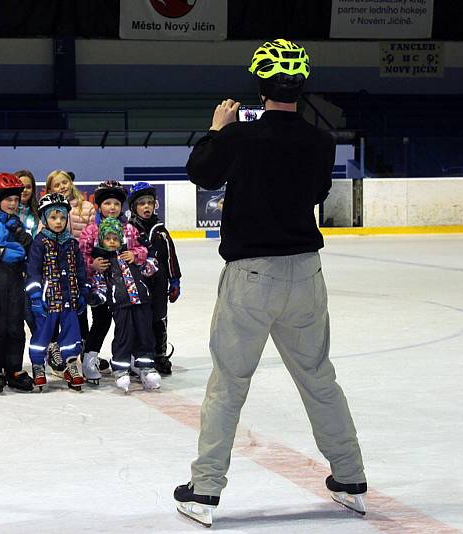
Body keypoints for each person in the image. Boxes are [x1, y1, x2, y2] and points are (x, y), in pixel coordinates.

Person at [173, 39, 367, 528]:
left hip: (252, 276)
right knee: (319, 378)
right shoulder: (321, 142)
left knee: (229, 384)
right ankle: (350, 476)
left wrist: (219, 130)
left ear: (260, 84)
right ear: (301, 87)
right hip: (306, 272)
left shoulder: (240, 137)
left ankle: (206, 488)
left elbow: (202, 173)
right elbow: (318, 191)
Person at [78, 180, 148, 384]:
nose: (112, 208)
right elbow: (82, 258)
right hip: (100, 287)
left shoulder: (129, 230)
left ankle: (132, 359)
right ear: (99, 206)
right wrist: (93, 265)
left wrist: (135, 255)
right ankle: (89, 359)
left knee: (129, 323)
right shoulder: (91, 231)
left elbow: (143, 249)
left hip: (125, 288)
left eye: (117, 204)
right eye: (108, 203)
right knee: (102, 321)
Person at [25, 193, 89, 392]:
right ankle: (38, 365)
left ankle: (71, 365)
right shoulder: (39, 243)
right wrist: (35, 297)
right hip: (48, 300)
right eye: (53, 217)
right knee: (43, 335)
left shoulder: (72, 243)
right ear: (44, 219)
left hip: (69, 299)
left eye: (62, 217)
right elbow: (33, 272)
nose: (59, 221)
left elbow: (79, 270)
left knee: (72, 333)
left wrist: (83, 291)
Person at [0, 173, 35, 394]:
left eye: (15, 199)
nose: (13, 203)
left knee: (15, 325)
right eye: (8, 199)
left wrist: (18, 243)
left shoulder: (18, 224)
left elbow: (28, 253)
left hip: (16, 279)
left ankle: (13, 367)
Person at [89, 217, 159, 392]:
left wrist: (143, 256)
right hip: (120, 305)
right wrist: (97, 296)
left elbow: (150, 268)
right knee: (124, 335)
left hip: (141, 301)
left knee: (145, 334)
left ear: (122, 239)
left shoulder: (129, 256)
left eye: (116, 238)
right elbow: (100, 284)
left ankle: (146, 367)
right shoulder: (104, 263)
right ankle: (120, 368)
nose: (112, 242)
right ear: (102, 241)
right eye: (108, 239)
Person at [127, 182, 182, 375]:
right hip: (137, 284)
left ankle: (160, 355)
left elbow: (170, 257)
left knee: (159, 318)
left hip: (159, 285)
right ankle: (138, 355)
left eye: (150, 202)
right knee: (139, 320)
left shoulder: (161, 231)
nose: (146, 207)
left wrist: (174, 280)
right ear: (134, 207)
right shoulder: (129, 230)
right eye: (141, 203)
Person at [44, 169, 96, 372]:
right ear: (49, 190)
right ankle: (55, 350)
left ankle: (81, 350)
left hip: (80, 268)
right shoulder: (49, 210)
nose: (62, 187)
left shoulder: (86, 207)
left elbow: (92, 237)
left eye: (64, 182)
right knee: (56, 310)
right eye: (56, 185)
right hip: (56, 269)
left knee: (80, 311)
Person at [14, 169, 42, 238]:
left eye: (28, 187)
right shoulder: (6, 212)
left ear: (33, 190)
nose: (24, 190)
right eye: (21, 186)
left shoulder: (39, 212)